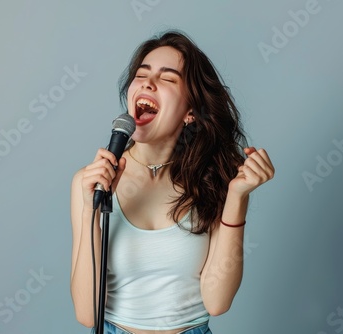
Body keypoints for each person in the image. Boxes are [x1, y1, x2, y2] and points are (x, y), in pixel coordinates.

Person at [70, 30, 274, 334]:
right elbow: (88, 314)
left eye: (167, 79)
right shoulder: (90, 182)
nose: (148, 83)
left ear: (190, 112)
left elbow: (216, 302)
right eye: (141, 75)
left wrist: (237, 197)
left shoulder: (214, 178)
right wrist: (91, 209)